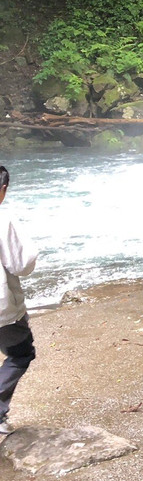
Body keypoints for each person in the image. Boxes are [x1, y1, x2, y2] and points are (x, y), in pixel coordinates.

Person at [0, 165, 38, 435]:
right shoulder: (3, 220)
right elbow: (22, 263)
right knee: (21, 353)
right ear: (3, 190)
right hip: (3, 309)